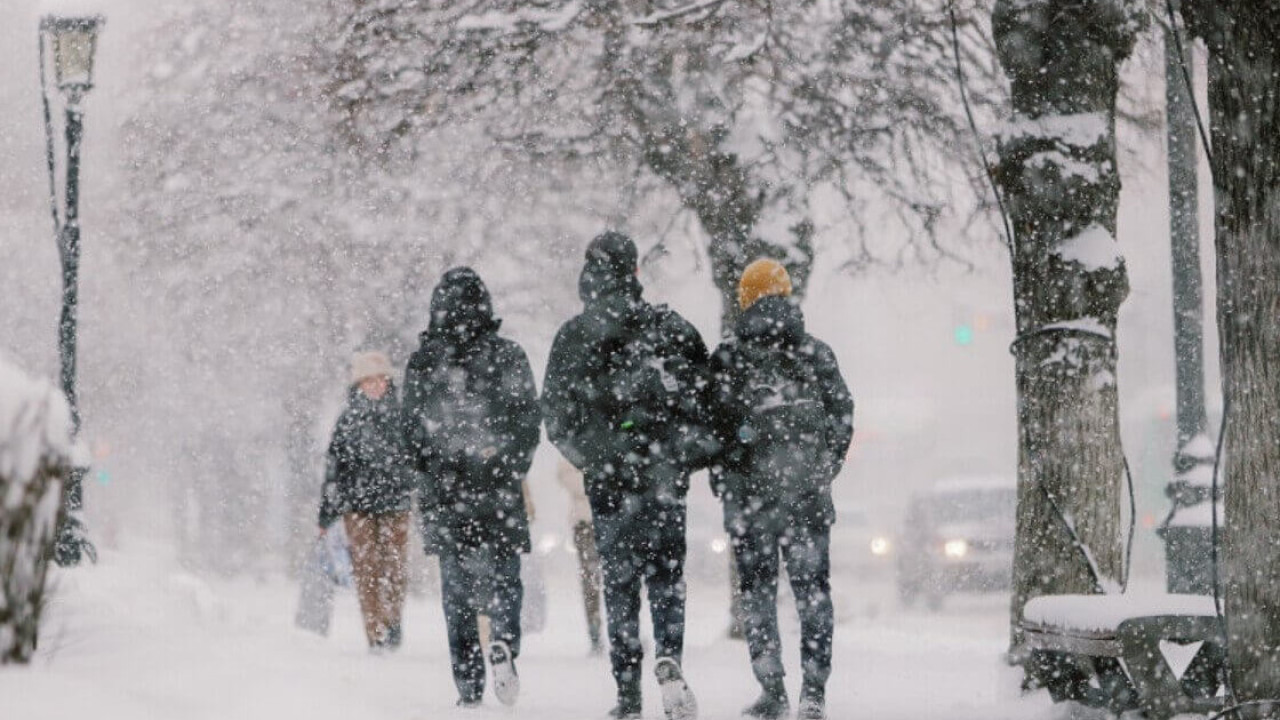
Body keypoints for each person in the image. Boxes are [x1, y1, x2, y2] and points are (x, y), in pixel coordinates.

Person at [543, 231, 716, 720]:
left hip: (609, 484)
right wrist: (678, 454)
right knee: (667, 576)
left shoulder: (574, 337)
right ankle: (669, 653)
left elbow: (556, 415)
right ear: (635, 272)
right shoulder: (669, 328)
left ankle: (626, 690)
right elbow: (706, 401)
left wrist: (598, 456)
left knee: (618, 582)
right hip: (662, 478)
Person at [707, 259, 854, 720]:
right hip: (806, 497)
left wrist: (729, 472)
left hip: (749, 500)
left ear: (744, 298)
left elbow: (712, 429)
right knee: (812, 591)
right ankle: (814, 691)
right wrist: (822, 468)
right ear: (787, 295)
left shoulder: (728, 357)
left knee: (757, 593)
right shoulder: (816, 353)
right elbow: (843, 415)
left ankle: (772, 689)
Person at [402, 267, 539, 709]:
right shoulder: (507, 356)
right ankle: (503, 641)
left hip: (446, 492)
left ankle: (468, 682)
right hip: (496, 488)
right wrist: (509, 462)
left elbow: (411, 432)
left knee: (457, 588)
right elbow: (526, 421)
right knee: (504, 576)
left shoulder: (424, 363)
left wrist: (432, 468)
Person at [318, 350, 414, 652]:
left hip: (395, 504)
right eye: (367, 381)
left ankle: (392, 618)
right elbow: (335, 469)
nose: (374, 386)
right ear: (357, 385)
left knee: (394, 568)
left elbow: (416, 460)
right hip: (357, 507)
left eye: (379, 380)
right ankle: (376, 632)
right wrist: (326, 514)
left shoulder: (402, 416)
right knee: (366, 569)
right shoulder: (347, 421)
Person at [558, 457, 604, 654]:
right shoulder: (575, 441)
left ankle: (624, 630)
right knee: (590, 579)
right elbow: (566, 476)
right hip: (585, 522)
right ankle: (595, 632)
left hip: (613, 517)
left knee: (622, 577)